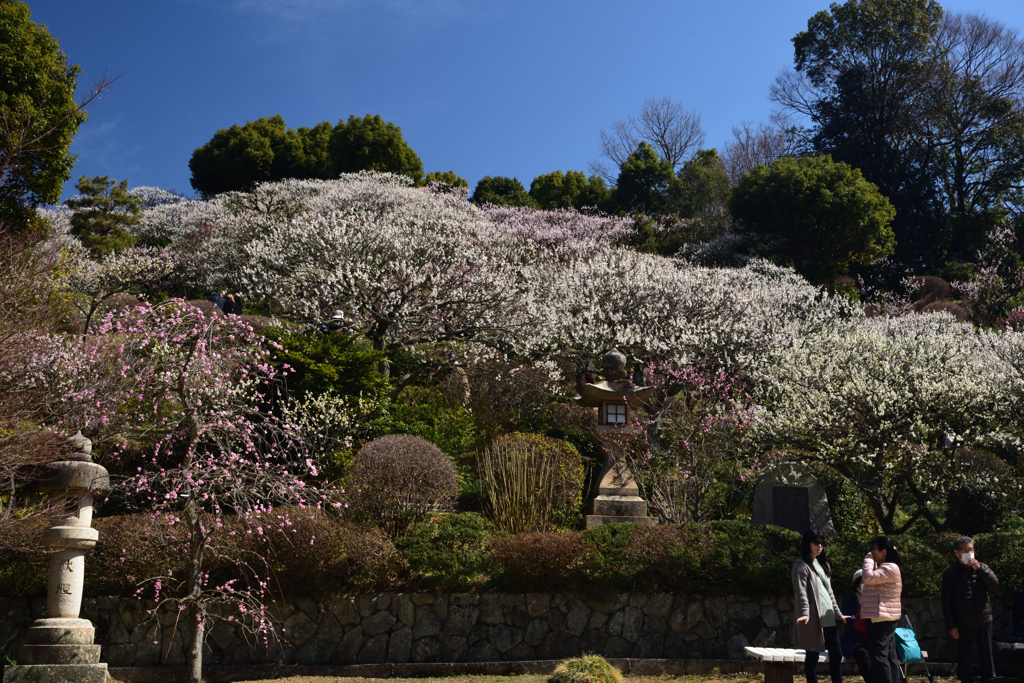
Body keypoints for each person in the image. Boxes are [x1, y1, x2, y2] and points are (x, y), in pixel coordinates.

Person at [941, 536, 999, 683]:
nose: (969, 553)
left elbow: (995, 586)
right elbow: (946, 601)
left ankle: (989, 679)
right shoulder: (950, 573)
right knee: (965, 654)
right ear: (957, 553)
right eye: (965, 550)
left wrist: (980, 570)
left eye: (971, 550)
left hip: (984, 618)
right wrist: (951, 625)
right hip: (963, 620)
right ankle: (965, 679)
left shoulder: (982, 567)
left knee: (986, 653)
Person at [792, 530, 845, 683]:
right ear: (807, 543)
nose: (820, 546)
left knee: (836, 654)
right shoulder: (801, 565)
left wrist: (838, 613)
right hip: (813, 619)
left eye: (822, 543)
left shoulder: (823, 564)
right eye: (816, 542)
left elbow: (830, 593)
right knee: (812, 657)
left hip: (828, 618)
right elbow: (800, 593)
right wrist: (805, 613)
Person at [861, 536, 904, 683]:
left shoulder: (889, 567)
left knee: (879, 656)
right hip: (884, 616)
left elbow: (867, 577)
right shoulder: (889, 567)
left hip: (880, 616)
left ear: (883, 551)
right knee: (889, 655)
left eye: (874, 549)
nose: (871, 552)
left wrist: (868, 559)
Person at [840, 569, 871, 680]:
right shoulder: (848, 601)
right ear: (857, 586)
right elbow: (849, 620)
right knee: (861, 653)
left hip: (873, 639)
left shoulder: (875, 599)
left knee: (885, 653)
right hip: (856, 640)